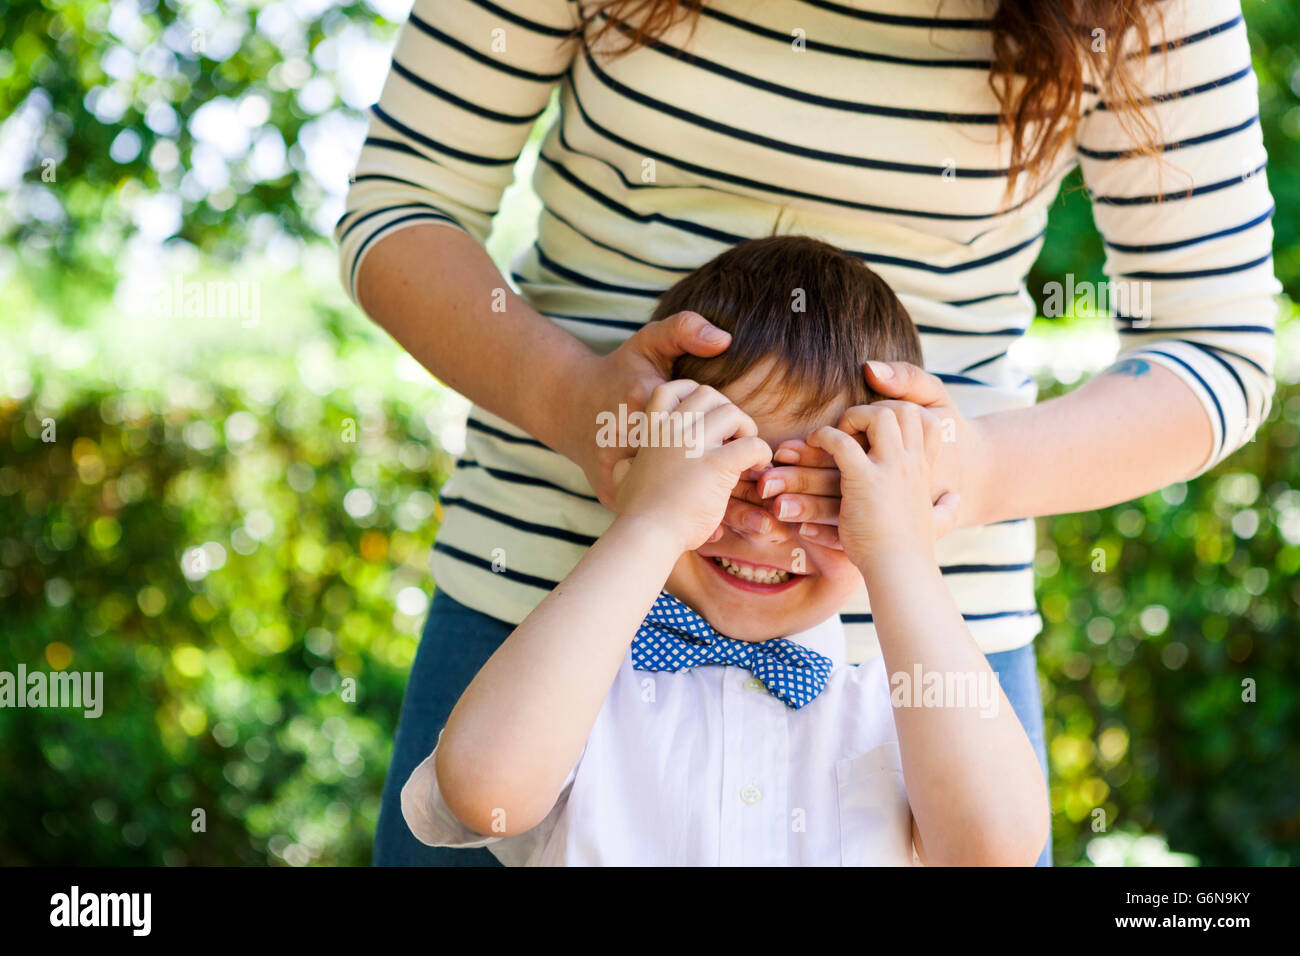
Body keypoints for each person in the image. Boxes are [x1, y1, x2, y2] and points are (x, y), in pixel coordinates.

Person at [337, 0, 1280, 866]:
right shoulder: (550, 713)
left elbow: (1216, 345)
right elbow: (403, 202)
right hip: (544, 613)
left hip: (927, 662)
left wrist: (956, 482)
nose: (761, 520)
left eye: (807, 479)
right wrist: (584, 410)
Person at [401, 235, 1049, 865]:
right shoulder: (578, 675)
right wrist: (651, 523)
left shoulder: (903, 702)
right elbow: (484, 793)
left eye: (822, 492)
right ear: (643, 464)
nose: (766, 528)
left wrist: (903, 553)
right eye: (726, 475)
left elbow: (992, 851)